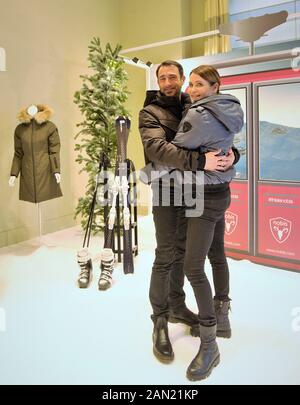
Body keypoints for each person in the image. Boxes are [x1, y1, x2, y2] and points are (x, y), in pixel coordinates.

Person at [139, 61, 240, 364]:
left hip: (192, 189)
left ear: (183, 80)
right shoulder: (150, 112)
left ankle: (177, 305)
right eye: (162, 77)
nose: (168, 82)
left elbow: (213, 138)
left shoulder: (192, 102)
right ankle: (159, 320)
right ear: (157, 81)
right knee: (165, 254)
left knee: (184, 254)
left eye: (173, 77)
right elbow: (158, 150)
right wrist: (200, 162)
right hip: (167, 190)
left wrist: (233, 154)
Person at [164, 64, 244, 380]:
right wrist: (232, 156)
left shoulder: (197, 115)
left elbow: (175, 150)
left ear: (215, 85)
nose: (192, 90)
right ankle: (222, 319)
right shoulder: (230, 108)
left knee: (193, 268)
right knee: (217, 255)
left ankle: (209, 345)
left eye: (199, 84)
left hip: (202, 194)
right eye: (192, 85)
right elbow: (221, 146)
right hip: (221, 190)